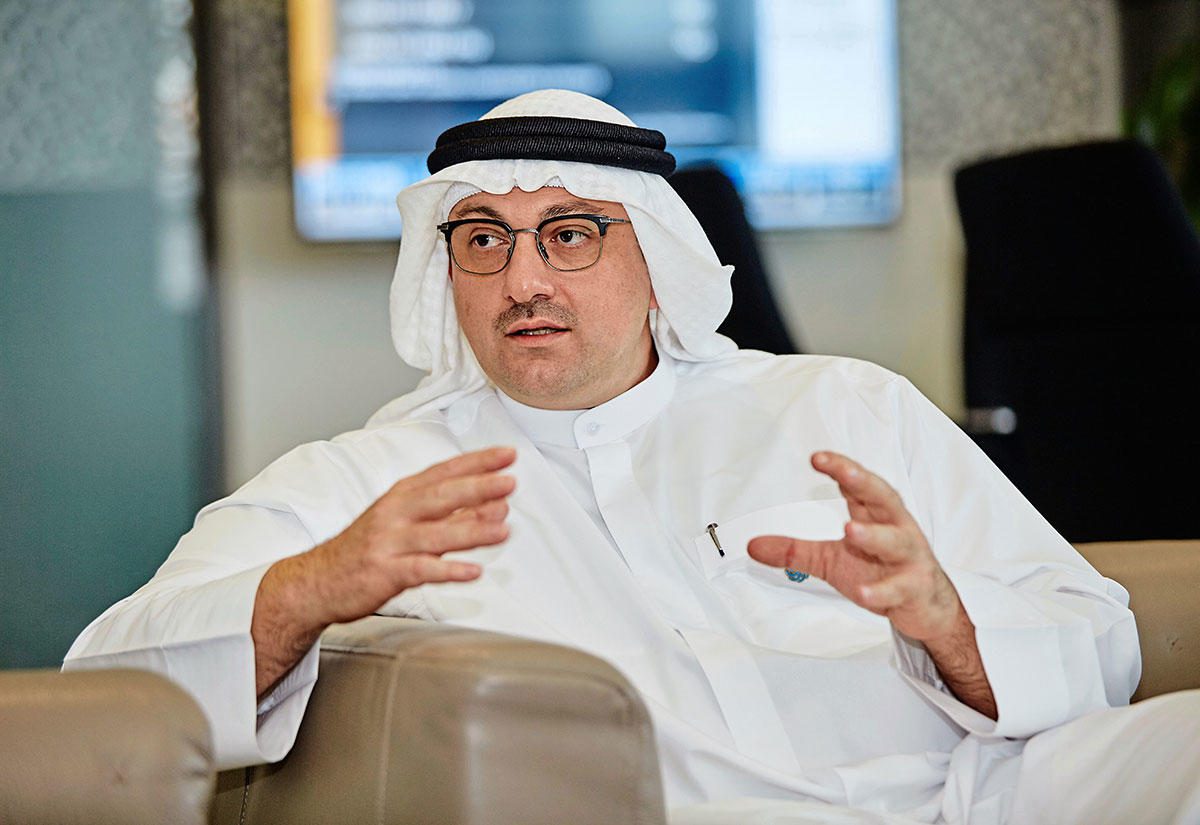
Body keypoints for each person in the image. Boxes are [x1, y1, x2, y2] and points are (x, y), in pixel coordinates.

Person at [64, 90, 1199, 824]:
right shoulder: (372, 481)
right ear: (446, 271)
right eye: (483, 241)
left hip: (981, 793)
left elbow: (1095, 638)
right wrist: (317, 585)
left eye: (569, 234)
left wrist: (950, 624)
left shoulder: (840, 403)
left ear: (654, 260)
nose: (522, 280)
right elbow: (109, 688)